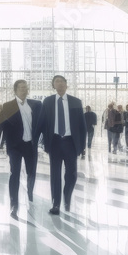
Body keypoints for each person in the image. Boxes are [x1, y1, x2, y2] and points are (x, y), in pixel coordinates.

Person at [0, 79, 43, 219]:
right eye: (21, 88)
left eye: (25, 87)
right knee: (14, 173)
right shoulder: (7, 106)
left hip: (30, 145)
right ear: (15, 90)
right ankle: (14, 204)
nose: (24, 90)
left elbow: (41, 123)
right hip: (15, 145)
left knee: (31, 172)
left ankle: (29, 193)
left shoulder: (35, 105)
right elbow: (0, 125)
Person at [40, 75, 86, 215]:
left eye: (62, 82)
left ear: (66, 85)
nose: (59, 84)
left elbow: (82, 126)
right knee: (55, 174)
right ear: (53, 85)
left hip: (70, 142)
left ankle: (67, 195)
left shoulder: (75, 102)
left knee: (71, 174)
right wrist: (42, 143)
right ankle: (56, 203)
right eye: (56, 82)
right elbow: (42, 123)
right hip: (54, 142)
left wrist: (82, 147)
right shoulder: (47, 102)